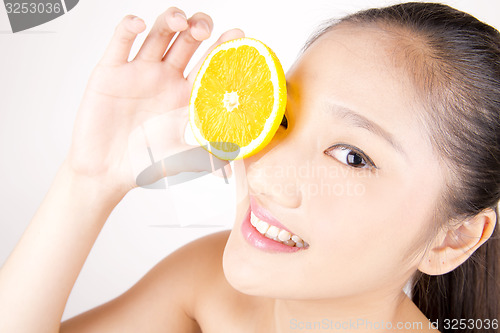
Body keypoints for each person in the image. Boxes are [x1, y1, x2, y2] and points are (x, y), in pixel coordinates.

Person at [0, 2, 499, 332]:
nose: (263, 173)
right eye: (280, 117)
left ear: (452, 238)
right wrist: (89, 180)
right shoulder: (205, 288)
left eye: (353, 157)